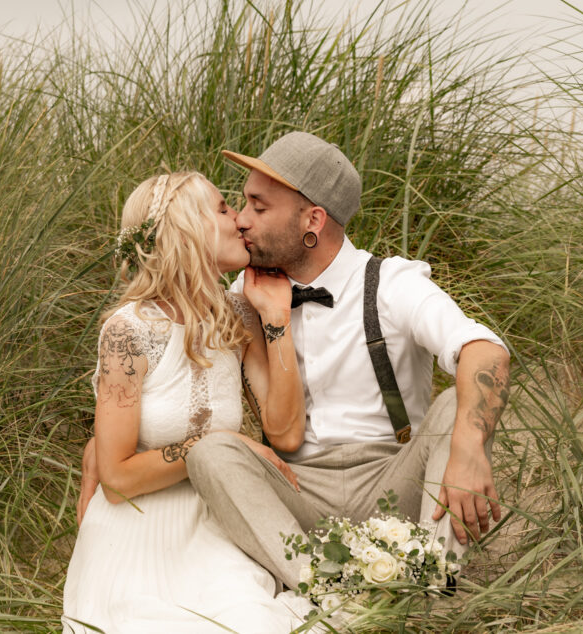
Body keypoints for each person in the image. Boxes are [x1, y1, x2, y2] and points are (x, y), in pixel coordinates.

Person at [182, 131, 512, 590]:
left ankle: (431, 586)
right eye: (243, 205)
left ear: (312, 219)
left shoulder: (393, 283)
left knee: (458, 405)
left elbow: (485, 350)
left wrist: (469, 449)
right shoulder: (246, 293)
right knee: (211, 453)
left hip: (393, 481)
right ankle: (321, 592)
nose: (240, 220)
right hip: (295, 491)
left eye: (259, 207)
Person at [62, 170, 309, 633]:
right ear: (186, 228)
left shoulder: (236, 316)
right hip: (138, 531)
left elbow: (286, 431)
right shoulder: (127, 331)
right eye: (221, 208)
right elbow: (115, 477)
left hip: (216, 518)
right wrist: (215, 445)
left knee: (252, 621)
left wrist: (276, 319)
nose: (239, 219)